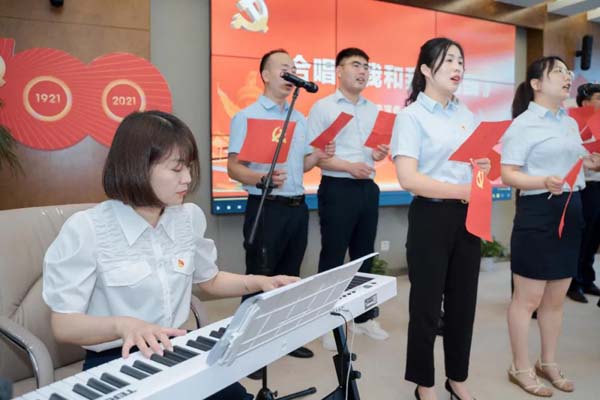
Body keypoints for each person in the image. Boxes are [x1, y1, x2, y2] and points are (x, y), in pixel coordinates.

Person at [43, 110, 300, 400]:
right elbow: (63, 324)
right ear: (138, 167)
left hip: (176, 349)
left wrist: (260, 282)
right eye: (177, 169)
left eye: (188, 167)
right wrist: (123, 325)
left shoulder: (187, 217)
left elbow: (210, 280)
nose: (187, 179)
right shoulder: (87, 229)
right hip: (116, 360)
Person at [391, 37, 490, 400]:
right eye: (448, 60)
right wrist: (461, 189)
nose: (457, 67)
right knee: (427, 307)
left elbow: (476, 166)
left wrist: (483, 166)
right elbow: (408, 179)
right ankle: (424, 385)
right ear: (425, 70)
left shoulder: (467, 115)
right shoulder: (411, 116)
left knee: (463, 305)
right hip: (430, 217)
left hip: (467, 217)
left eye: (460, 61)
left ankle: (457, 378)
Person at [501, 57, 600, 397]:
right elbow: (508, 173)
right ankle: (520, 366)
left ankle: (548, 362)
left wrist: (589, 162)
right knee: (527, 298)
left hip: (571, 208)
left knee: (556, 299)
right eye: (557, 71)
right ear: (536, 84)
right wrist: (541, 180)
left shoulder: (570, 123)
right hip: (538, 211)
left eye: (567, 71)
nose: (566, 76)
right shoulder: (523, 124)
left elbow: (572, 163)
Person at [227, 49, 334, 362]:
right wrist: (261, 178)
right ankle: (244, 349)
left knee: (289, 277)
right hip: (266, 208)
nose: (291, 75)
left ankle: (282, 339)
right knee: (259, 277)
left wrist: (318, 155)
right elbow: (234, 167)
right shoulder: (246, 116)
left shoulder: (299, 119)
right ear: (265, 75)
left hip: (297, 208)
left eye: (294, 69)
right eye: (284, 68)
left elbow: (302, 165)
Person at [307, 47, 390, 351]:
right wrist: (348, 166)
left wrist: (378, 154)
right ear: (339, 71)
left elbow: (372, 154)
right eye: (356, 65)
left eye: (366, 67)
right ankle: (326, 324)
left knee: (364, 255)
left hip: (367, 188)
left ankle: (364, 317)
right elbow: (315, 155)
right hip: (337, 188)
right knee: (333, 257)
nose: (362, 71)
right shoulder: (323, 108)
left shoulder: (373, 109)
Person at [566, 83, 600, 303]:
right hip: (584, 185)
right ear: (586, 102)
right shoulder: (573, 123)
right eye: (599, 98)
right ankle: (573, 282)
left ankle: (587, 278)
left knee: (594, 235)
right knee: (581, 234)